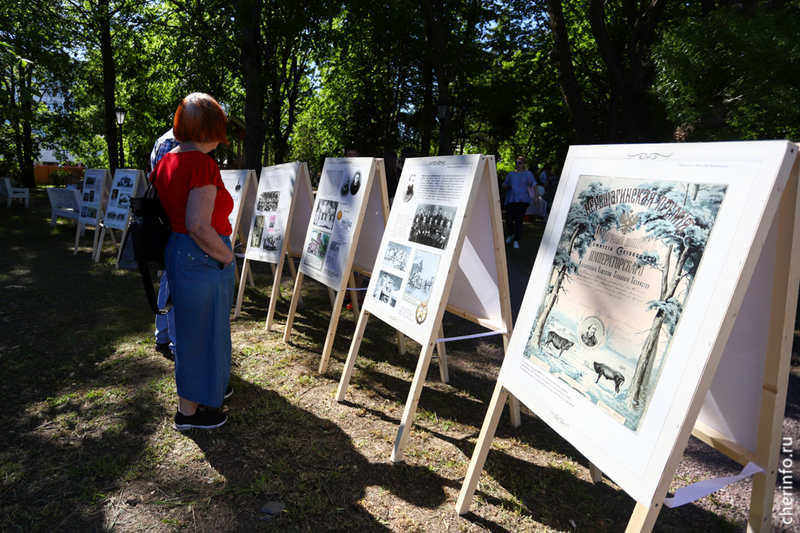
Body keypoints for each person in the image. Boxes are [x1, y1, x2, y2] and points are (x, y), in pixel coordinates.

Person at [152, 93, 235, 430]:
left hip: (179, 250)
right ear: (209, 129)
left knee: (189, 334)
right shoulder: (202, 163)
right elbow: (199, 225)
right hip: (203, 255)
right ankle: (202, 410)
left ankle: (190, 409)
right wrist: (227, 255)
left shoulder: (167, 159)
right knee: (211, 332)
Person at [150, 128, 180, 361]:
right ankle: (175, 342)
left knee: (167, 280)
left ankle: (163, 334)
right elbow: (170, 189)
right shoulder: (173, 143)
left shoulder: (164, 140)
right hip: (171, 223)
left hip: (164, 222)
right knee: (174, 281)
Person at [502, 157, 534, 249]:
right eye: (516, 163)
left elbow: (534, 185)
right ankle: (510, 234)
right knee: (508, 219)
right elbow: (503, 185)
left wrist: (535, 198)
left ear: (524, 164)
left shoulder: (528, 174)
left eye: (519, 163)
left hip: (523, 199)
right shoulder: (511, 174)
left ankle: (516, 240)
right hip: (511, 199)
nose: (517, 164)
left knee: (519, 220)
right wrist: (507, 186)